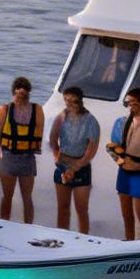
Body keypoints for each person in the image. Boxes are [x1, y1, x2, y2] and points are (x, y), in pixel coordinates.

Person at [107, 87, 140, 240]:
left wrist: (139, 166)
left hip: (139, 174)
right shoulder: (124, 121)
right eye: (128, 103)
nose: (130, 106)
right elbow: (113, 146)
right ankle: (129, 242)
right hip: (124, 171)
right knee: (126, 215)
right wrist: (120, 160)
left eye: (134, 103)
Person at [48, 86, 100, 233]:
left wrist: (75, 168)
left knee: (81, 209)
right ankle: (63, 236)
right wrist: (56, 154)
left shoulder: (90, 121)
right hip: (62, 164)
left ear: (80, 100)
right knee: (63, 207)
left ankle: (83, 239)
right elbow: (53, 137)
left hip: (81, 167)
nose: (70, 104)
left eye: (73, 101)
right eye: (67, 100)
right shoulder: (61, 117)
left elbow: (91, 150)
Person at [0, 76, 42, 223]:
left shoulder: (37, 110)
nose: (21, 95)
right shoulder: (4, 110)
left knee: (27, 197)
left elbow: (39, 131)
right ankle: (3, 223)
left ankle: (28, 226)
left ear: (28, 93)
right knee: (7, 195)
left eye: (24, 92)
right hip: (8, 156)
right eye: (19, 92)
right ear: (14, 92)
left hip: (27, 158)